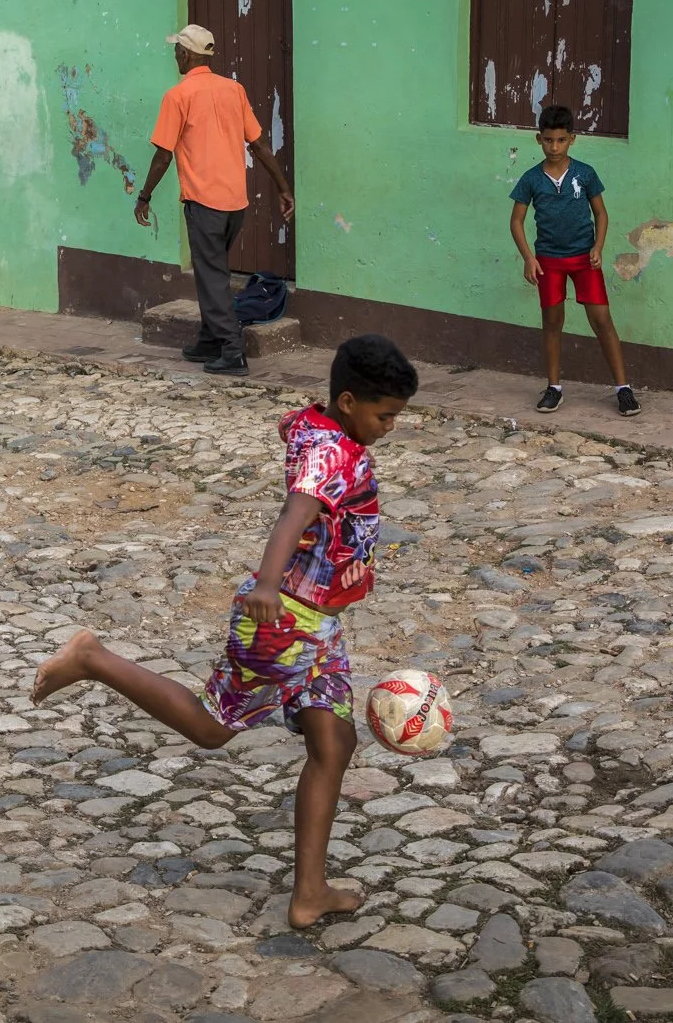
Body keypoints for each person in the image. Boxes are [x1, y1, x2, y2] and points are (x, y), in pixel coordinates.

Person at [32, 334, 419, 928]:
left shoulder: (321, 429)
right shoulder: (331, 454)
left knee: (334, 745)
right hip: (285, 619)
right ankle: (92, 659)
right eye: (384, 415)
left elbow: (293, 430)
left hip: (321, 625)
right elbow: (297, 508)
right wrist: (267, 583)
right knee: (212, 729)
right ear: (347, 400)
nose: (390, 426)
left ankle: (309, 892)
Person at [133, 24, 294, 377]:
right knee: (213, 271)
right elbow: (259, 144)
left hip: (204, 203)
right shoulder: (233, 89)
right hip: (235, 203)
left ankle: (231, 350)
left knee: (212, 277)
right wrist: (283, 187)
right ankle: (209, 339)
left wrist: (144, 196)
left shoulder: (178, 96)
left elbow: (163, 155)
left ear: (187, 55)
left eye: (177, 50)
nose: (175, 54)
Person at [509, 105, 639, 417]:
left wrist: (599, 246)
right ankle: (554, 388)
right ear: (539, 139)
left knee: (602, 321)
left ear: (573, 139)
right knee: (552, 323)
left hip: (584, 260)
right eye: (549, 140)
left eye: (562, 140)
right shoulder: (530, 179)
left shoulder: (585, 173)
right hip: (548, 261)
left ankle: (623, 389)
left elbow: (601, 213)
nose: (555, 147)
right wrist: (529, 258)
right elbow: (516, 221)